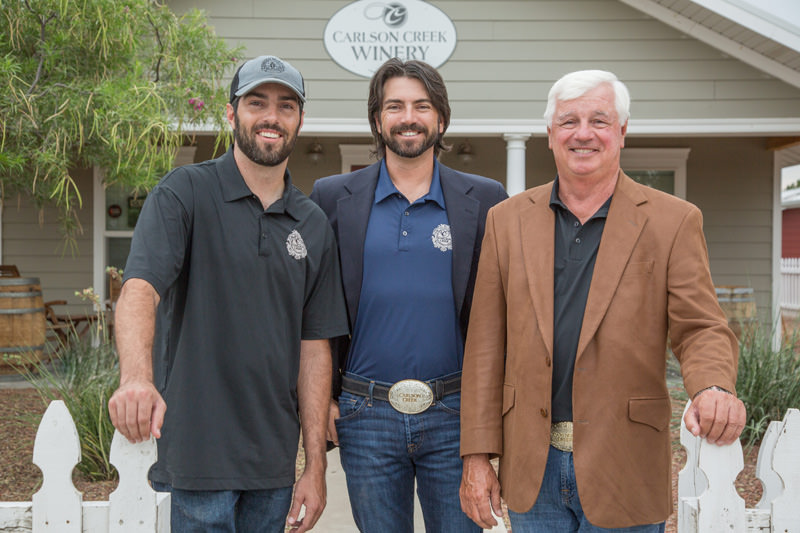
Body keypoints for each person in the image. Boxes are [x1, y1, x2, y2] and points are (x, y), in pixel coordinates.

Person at [459, 70, 747, 532]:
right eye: (569, 121)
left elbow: (701, 327)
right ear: (550, 133)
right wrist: (477, 456)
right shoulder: (506, 221)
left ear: (622, 131)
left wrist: (713, 386)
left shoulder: (673, 221)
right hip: (532, 468)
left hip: (625, 463)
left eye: (599, 120)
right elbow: (485, 347)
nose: (583, 133)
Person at [107, 55, 349, 533]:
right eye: (257, 102)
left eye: (286, 106)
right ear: (231, 113)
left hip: (272, 464)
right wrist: (136, 378)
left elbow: (314, 347)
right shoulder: (185, 193)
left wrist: (315, 467)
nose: (271, 116)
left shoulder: (312, 224)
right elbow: (139, 289)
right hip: (195, 457)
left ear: (300, 120)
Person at [310, 58, 508, 533]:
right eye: (394, 106)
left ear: (441, 117)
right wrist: (326, 400)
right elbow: (315, 309)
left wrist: (489, 420)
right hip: (365, 414)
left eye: (422, 105)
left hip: (455, 414)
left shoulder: (485, 200)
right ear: (377, 119)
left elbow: (501, 315)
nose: (408, 117)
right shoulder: (332, 197)